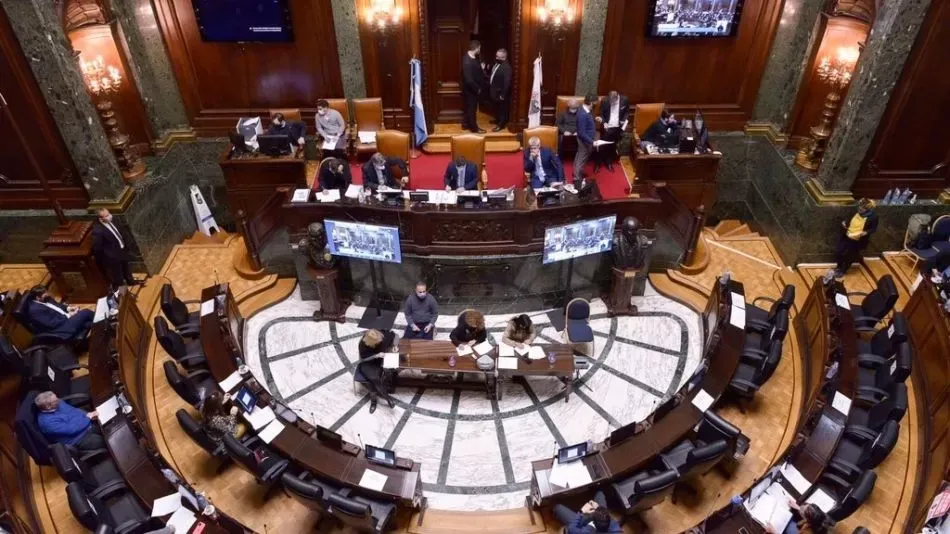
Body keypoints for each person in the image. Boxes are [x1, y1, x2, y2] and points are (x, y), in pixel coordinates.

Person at [34, 391, 104, 452]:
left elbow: (74, 410)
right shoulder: (47, 423)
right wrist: (88, 417)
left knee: (107, 428)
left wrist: (87, 414)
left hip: (85, 424)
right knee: (105, 440)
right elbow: (72, 429)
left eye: (56, 398)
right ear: (48, 407)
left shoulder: (57, 402)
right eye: (55, 401)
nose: (58, 400)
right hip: (78, 438)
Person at [24, 285, 94, 341]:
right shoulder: (35, 310)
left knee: (88, 323)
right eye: (45, 294)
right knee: (86, 312)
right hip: (61, 328)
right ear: (37, 298)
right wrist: (69, 315)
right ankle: (100, 317)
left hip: (65, 319)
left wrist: (69, 308)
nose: (48, 295)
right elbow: (52, 323)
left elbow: (58, 305)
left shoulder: (45, 298)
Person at [92, 208, 139, 290]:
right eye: (106, 215)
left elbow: (120, 232)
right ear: (100, 219)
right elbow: (97, 247)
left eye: (109, 213)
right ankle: (122, 290)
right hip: (112, 255)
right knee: (118, 274)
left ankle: (131, 282)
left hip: (122, 248)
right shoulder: (98, 230)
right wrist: (108, 255)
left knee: (126, 267)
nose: (109, 216)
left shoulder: (114, 220)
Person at [834, 198, 878, 278]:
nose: (860, 209)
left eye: (863, 208)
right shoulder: (855, 212)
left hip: (857, 240)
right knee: (839, 251)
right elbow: (849, 219)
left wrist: (866, 232)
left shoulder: (873, 217)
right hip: (847, 236)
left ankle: (843, 270)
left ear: (868, 210)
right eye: (860, 207)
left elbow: (873, 229)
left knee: (849, 256)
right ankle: (838, 267)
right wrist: (845, 223)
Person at [357, 329, 398, 414]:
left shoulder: (382, 336)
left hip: (378, 361)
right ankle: (386, 399)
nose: (380, 341)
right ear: (372, 342)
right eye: (378, 341)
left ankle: (375, 401)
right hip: (367, 363)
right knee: (374, 379)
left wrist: (395, 345)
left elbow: (395, 336)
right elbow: (363, 359)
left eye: (380, 339)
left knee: (387, 372)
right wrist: (375, 356)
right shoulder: (363, 344)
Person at [552, 491, 622, 533]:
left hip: (583, 525)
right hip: (598, 522)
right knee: (600, 493)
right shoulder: (615, 529)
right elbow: (609, 520)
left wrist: (581, 511)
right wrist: (599, 509)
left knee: (558, 507)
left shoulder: (585, 532)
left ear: (593, 523)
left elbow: (571, 528)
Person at [596, 91, 629, 171]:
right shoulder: (605, 100)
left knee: (612, 145)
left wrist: (623, 120)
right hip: (607, 127)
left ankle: (609, 162)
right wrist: (604, 122)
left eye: (612, 102)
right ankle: (598, 163)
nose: (611, 103)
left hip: (617, 127)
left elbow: (626, 112)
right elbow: (601, 113)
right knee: (602, 145)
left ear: (617, 97)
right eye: (610, 101)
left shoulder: (624, 100)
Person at [461, 40, 487, 133]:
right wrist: (478, 89)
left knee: (469, 108)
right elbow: (469, 80)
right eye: (479, 48)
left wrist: (481, 68)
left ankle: (465, 124)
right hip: (471, 90)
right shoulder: (467, 61)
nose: (480, 50)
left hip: (471, 89)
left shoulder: (472, 57)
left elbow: (475, 71)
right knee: (472, 109)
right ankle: (474, 128)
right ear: (477, 48)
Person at [574, 94, 597, 183]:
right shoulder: (583, 114)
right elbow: (582, 133)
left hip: (586, 139)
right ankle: (577, 179)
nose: (595, 105)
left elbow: (586, 123)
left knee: (579, 156)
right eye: (595, 103)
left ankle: (577, 173)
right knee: (581, 158)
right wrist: (592, 142)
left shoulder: (584, 109)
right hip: (585, 141)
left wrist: (594, 119)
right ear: (591, 103)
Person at [488, 48, 512, 132]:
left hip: (501, 93)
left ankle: (501, 125)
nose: (496, 58)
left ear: (504, 57)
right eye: (496, 56)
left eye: (498, 57)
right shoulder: (497, 64)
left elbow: (507, 83)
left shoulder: (507, 67)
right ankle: (497, 120)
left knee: (502, 109)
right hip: (495, 91)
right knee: (497, 108)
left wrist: (503, 95)